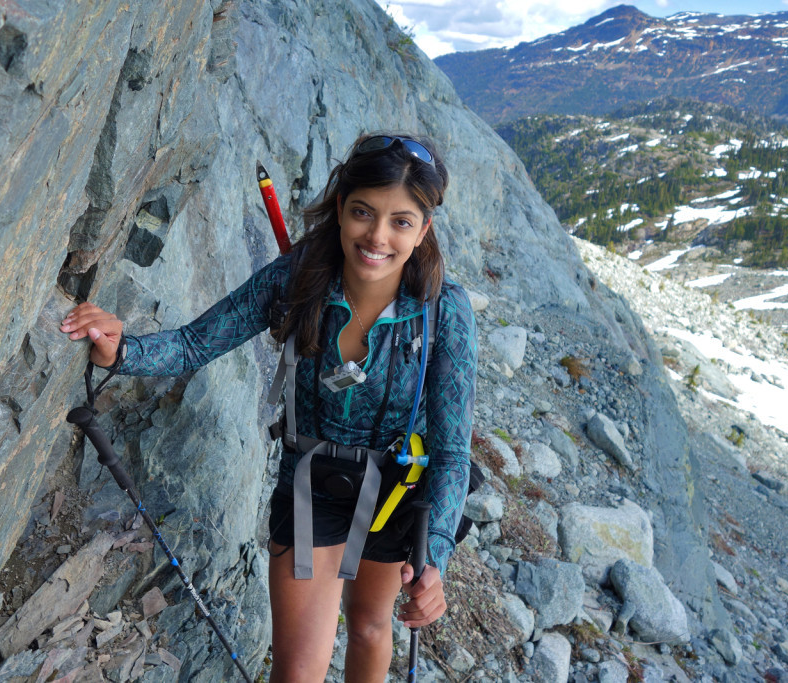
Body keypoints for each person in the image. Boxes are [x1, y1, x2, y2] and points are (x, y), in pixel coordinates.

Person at [60, 133, 479, 682]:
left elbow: (452, 450)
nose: (377, 236)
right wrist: (122, 350)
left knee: (373, 627)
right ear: (339, 208)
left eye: (401, 221)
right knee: (297, 673)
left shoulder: (444, 311)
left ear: (424, 229)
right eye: (362, 212)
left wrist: (437, 561)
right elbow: (195, 343)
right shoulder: (299, 276)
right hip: (313, 484)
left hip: (400, 491)